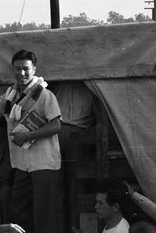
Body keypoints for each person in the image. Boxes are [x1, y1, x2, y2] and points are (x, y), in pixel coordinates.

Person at [0, 50, 64, 233]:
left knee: (45, 214)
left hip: (43, 163)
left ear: (34, 70)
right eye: (17, 69)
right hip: (23, 164)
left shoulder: (45, 95)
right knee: (20, 211)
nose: (21, 73)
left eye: (26, 69)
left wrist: (28, 136)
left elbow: (56, 125)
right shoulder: (10, 97)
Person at [53, 81, 96, 230]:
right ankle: (71, 226)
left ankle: (71, 226)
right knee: (66, 185)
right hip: (65, 132)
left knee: (70, 185)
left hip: (75, 135)